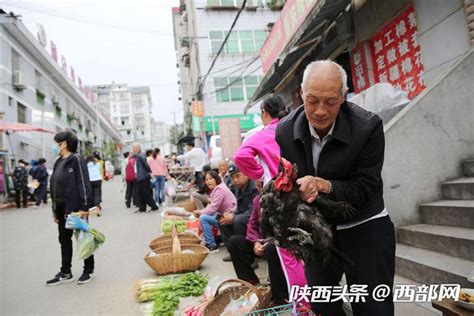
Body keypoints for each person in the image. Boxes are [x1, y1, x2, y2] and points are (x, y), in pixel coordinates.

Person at [276, 60, 395, 315]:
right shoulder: (285, 130)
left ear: (344, 96)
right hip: (318, 229)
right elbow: (287, 174)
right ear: (301, 95)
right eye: (312, 100)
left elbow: (365, 188)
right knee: (323, 305)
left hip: (365, 224)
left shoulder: (368, 127)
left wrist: (323, 185)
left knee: (374, 307)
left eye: (330, 101)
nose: (320, 111)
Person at [227, 196, 305, 305]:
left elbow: (289, 228)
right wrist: (255, 242)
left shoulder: (285, 199)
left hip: (282, 243)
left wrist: (273, 240)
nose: (260, 185)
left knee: (272, 248)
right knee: (234, 242)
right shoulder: (257, 200)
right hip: (262, 241)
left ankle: (280, 296)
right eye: (258, 183)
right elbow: (252, 224)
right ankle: (250, 282)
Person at [47, 131, 95, 285]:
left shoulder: (76, 159)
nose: (55, 146)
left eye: (56, 143)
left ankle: (89, 270)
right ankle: (66, 272)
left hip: (75, 208)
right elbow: (54, 185)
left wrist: (84, 206)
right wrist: (55, 210)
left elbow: (83, 183)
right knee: (64, 240)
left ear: (64, 143)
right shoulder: (58, 161)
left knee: (83, 239)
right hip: (61, 208)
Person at [233, 95, 287, 188]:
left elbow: (240, 156)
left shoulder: (262, 135)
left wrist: (260, 175)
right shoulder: (293, 127)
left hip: (277, 190)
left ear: (264, 113)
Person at [218, 165, 257, 254]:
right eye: (233, 177)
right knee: (222, 219)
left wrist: (234, 217)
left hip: (255, 218)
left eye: (238, 176)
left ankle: (248, 255)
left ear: (246, 173)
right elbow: (239, 208)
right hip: (245, 215)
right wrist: (231, 214)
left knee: (238, 221)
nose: (235, 180)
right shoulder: (238, 188)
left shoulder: (254, 187)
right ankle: (233, 251)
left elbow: (253, 212)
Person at [194, 170, 236, 252]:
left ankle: (211, 244)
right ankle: (214, 239)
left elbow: (212, 209)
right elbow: (212, 207)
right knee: (206, 215)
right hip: (225, 214)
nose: (208, 181)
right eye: (206, 180)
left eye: (211, 179)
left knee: (203, 218)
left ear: (216, 179)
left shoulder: (220, 189)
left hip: (229, 217)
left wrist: (200, 212)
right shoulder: (218, 188)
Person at [132, 143, 158, 213]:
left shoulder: (141, 155)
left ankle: (154, 207)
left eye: (133, 148)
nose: (133, 150)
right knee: (141, 193)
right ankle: (142, 208)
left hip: (144, 177)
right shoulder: (138, 155)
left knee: (146, 193)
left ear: (137, 148)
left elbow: (146, 165)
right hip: (140, 177)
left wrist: (150, 172)